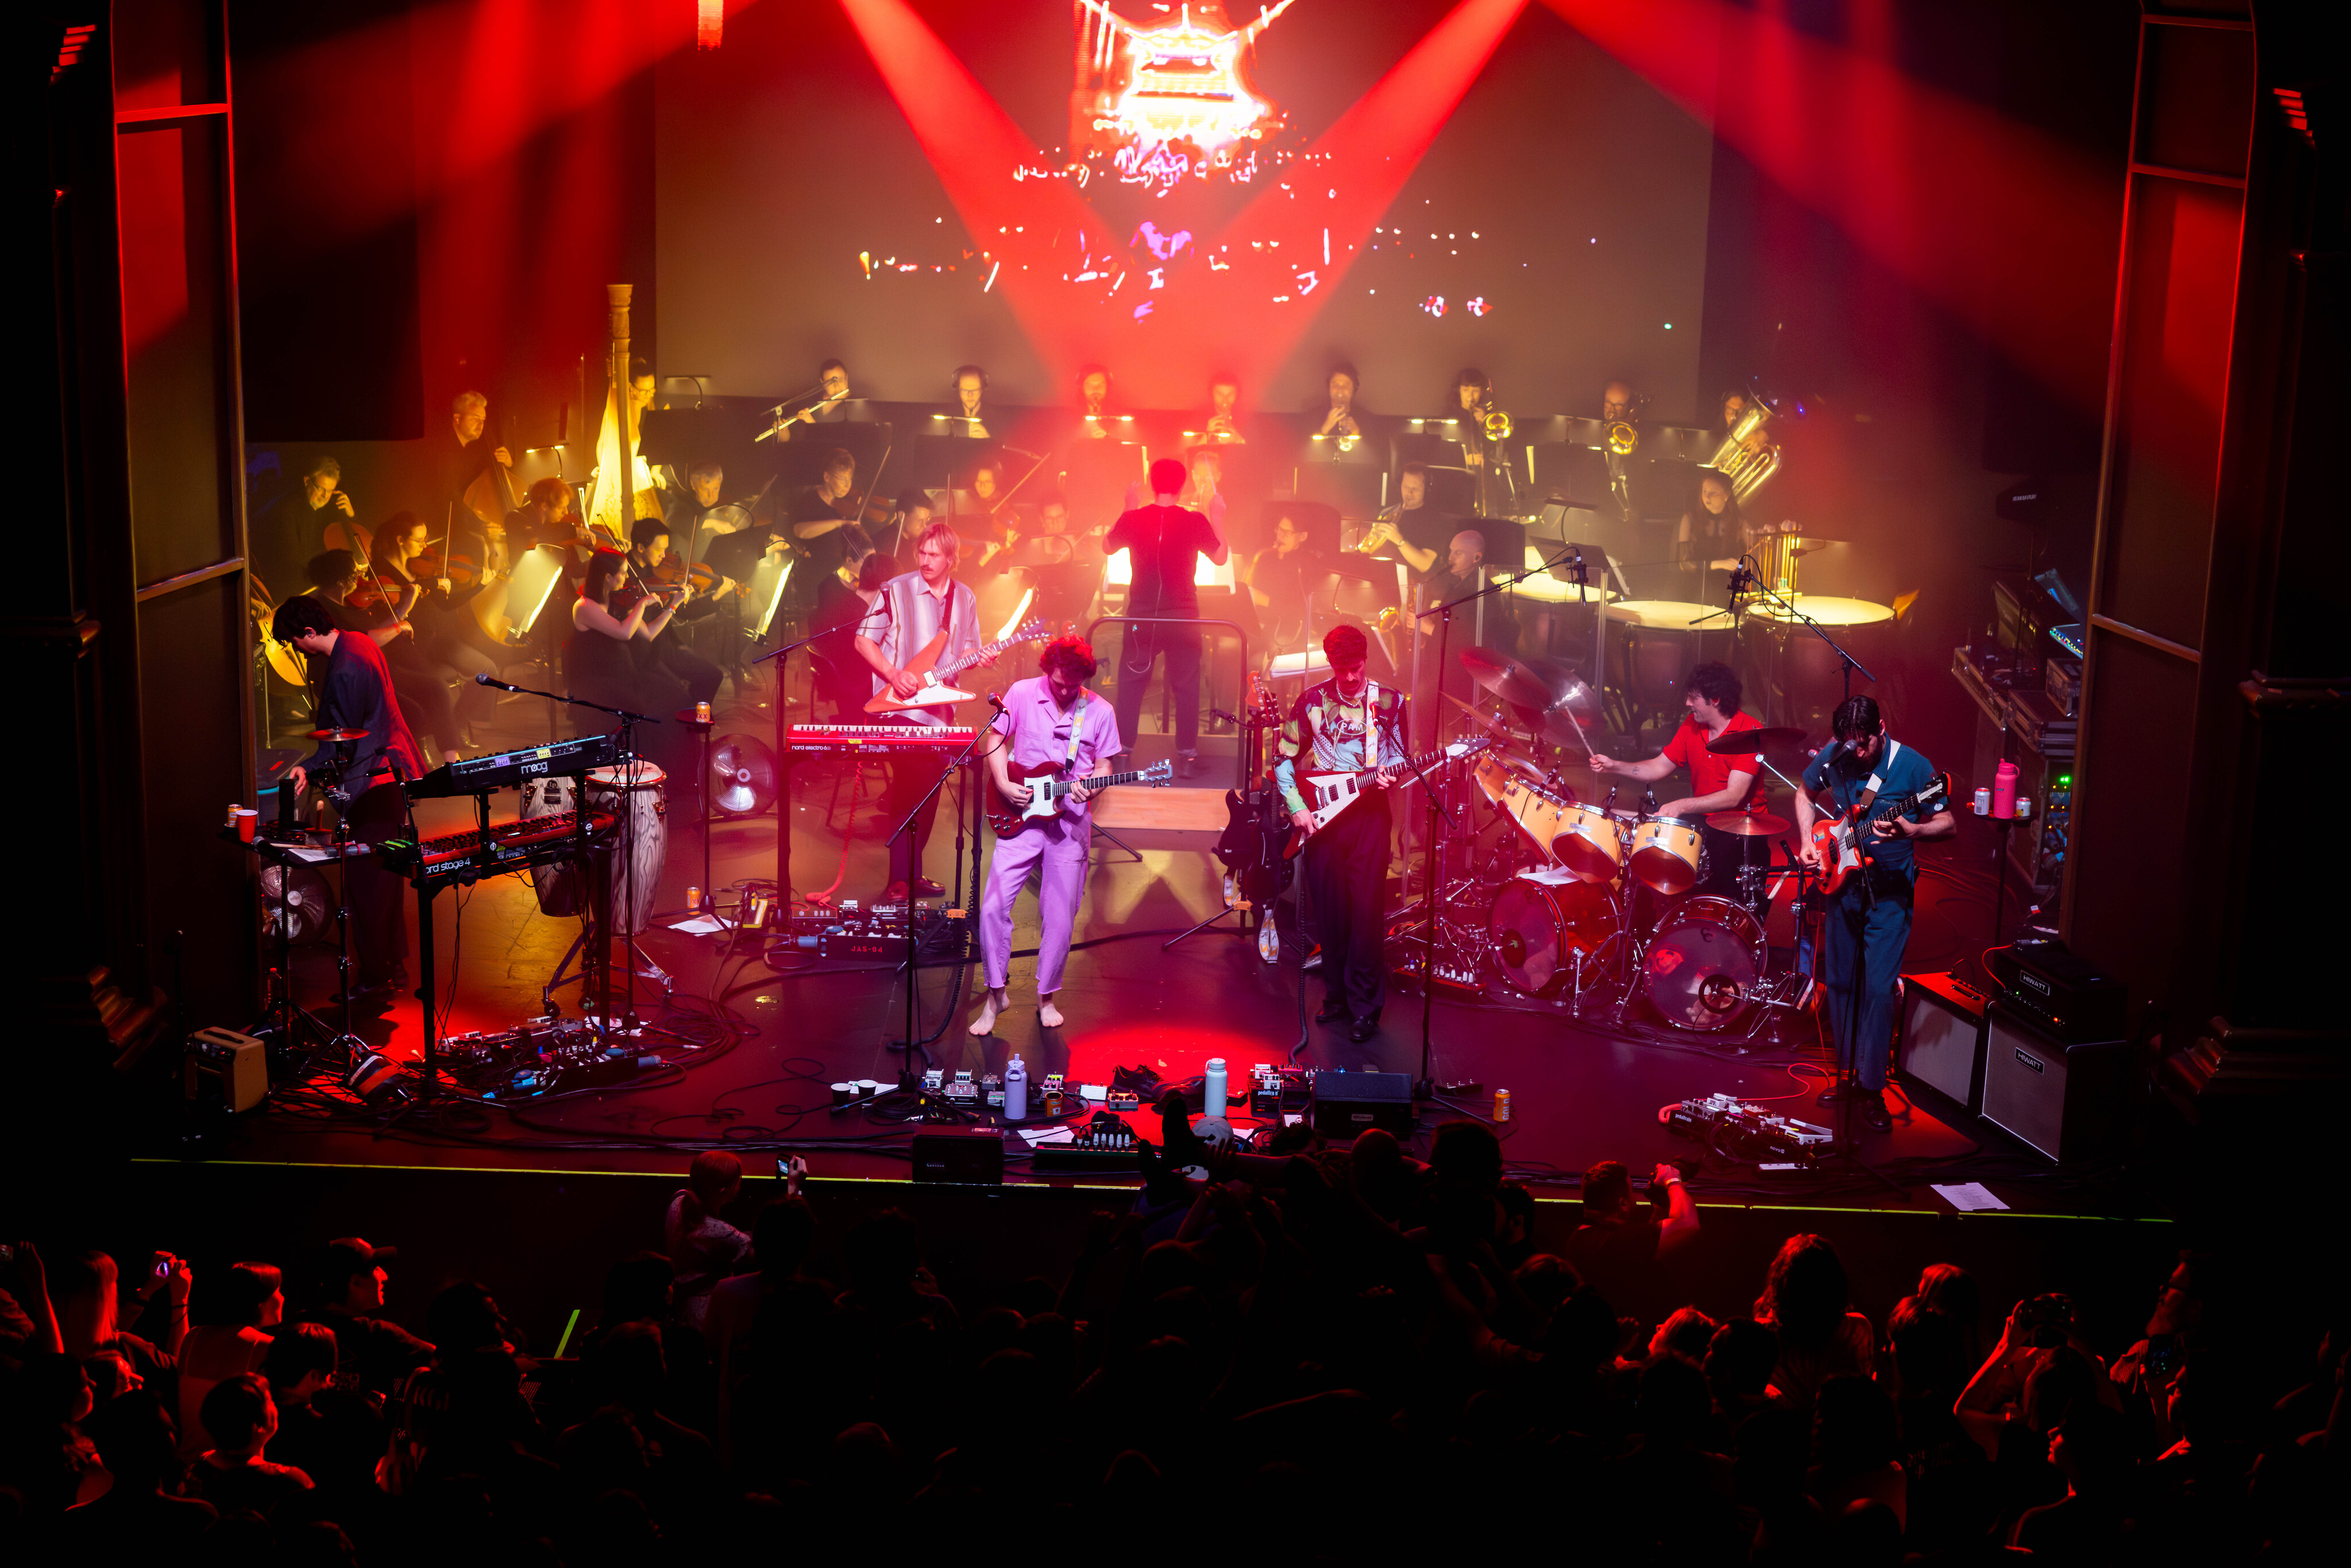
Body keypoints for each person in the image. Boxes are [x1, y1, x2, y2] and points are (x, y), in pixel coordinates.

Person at [1794, 695, 1956, 1131]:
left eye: (1864, 742)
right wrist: (1809, 841)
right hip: (1842, 888)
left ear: (1881, 729)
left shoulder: (1915, 768)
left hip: (1889, 895)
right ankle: (1849, 1076)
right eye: (1850, 743)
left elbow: (1948, 823)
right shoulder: (1837, 754)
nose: (1858, 751)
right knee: (1841, 983)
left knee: (1880, 991)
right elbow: (1804, 792)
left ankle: (1872, 1088)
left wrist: (1914, 829)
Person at [274, 594, 428, 1004]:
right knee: (385, 882)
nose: (298, 650)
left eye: (295, 641)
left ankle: (376, 976)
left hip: (372, 782)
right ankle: (392, 968)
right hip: (390, 774)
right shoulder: (360, 641)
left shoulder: (344, 668)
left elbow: (342, 740)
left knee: (365, 887)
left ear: (308, 632)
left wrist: (309, 769)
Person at [971, 634, 1123, 1036]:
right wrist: (1003, 783)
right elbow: (996, 740)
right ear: (1047, 671)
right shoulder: (1022, 693)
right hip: (1019, 816)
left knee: (1059, 918)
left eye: (1073, 685)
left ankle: (1047, 997)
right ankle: (995, 995)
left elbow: (1105, 765)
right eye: (1058, 683)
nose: (1065, 691)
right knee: (992, 908)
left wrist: (1092, 788)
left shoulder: (1100, 710)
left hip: (1069, 823)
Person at [1273, 622, 1406, 1041]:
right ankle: (1336, 998)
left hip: (1369, 815)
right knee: (1329, 911)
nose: (1350, 677)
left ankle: (1366, 1008)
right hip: (1323, 816)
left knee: (1366, 911)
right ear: (1331, 663)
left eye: (1357, 668)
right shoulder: (1312, 701)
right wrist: (1297, 808)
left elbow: (1400, 756)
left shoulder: (1389, 701)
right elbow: (1283, 758)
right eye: (1341, 669)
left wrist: (1391, 776)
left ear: (1366, 660)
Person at [854, 519, 994, 899]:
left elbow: (966, 650)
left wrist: (981, 657)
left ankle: (912, 875)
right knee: (909, 786)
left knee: (930, 790)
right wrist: (894, 674)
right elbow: (863, 641)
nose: (925, 560)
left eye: (934, 555)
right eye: (922, 553)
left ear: (951, 559)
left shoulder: (965, 598)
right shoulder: (894, 590)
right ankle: (898, 879)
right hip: (899, 708)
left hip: (940, 713)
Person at [1587, 661, 1768, 915]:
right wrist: (1614, 766)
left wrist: (1682, 805)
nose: (1687, 703)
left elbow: (1734, 796)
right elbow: (1658, 766)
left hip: (1741, 827)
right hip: (1705, 822)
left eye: (1694, 697)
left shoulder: (1750, 730)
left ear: (1715, 700)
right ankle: (1652, 924)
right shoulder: (1692, 726)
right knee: (1653, 846)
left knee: (1722, 886)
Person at [1107, 456, 1228, 779]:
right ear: (1183, 486)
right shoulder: (1194, 520)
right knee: (1186, 687)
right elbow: (1220, 557)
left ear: (1151, 482)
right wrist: (1217, 517)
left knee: (1131, 686)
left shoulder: (1134, 518)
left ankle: (1122, 755)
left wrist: (1129, 506)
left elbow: (1107, 547)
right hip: (1183, 619)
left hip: (1141, 618)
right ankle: (1187, 759)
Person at [296, 1236, 432, 1396]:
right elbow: (444, 1360)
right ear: (355, 1282)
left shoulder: (298, 1328)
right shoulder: (380, 1335)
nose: (385, 1276)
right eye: (376, 1269)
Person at [176, 1262, 284, 1458]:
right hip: (234, 1466)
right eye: (278, 1290)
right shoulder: (266, 1346)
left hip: (187, 1464)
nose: (282, 1298)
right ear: (259, 1301)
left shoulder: (194, 1336)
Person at [628, 516, 728, 709]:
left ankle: (694, 723)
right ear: (640, 547)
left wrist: (716, 596)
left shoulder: (657, 571)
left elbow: (684, 611)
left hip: (666, 646)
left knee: (714, 676)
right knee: (680, 696)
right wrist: (672, 603)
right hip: (644, 653)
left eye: (666, 549)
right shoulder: (625, 574)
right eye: (659, 550)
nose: (664, 556)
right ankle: (686, 720)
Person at [187, 1372, 316, 1517]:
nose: (274, 1404)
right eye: (268, 1400)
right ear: (258, 1425)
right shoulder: (291, 1483)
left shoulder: (195, 1468)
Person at [665, 1151, 750, 1333]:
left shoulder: (678, 1203)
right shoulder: (724, 1234)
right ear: (723, 1192)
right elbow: (774, 1248)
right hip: (706, 1320)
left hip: (680, 1311)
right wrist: (794, 1187)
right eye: (738, 1179)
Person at [255, 455, 355, 604]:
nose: (325, 496)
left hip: (319, 581)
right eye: (321, 489)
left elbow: (352, 544)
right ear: (307, 481)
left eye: (330, 491)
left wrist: (350, 516)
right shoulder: (288, 509)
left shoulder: (330, 508)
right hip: (292, 587)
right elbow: (294, 558)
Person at [1242, 507, 1324, 654]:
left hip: (1287, 631)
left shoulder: (1308, 565)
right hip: (1260, 627)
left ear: (1303, 537)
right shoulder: (1265, 557)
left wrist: (1265, 601)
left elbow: (1302, 612)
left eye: (1288, 533)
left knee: (1275, 652)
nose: (1281, 536)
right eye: (1279, 530)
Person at [1678, 468, 1747, 597]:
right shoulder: (1689, 519)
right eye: (1704, 491)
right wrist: (1720, 564)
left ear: (1726, 495)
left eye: (1713, 492)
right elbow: (1684, 564)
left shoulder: (1739, 523)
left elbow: (1755, 554)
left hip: (1727, 588)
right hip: (1695, 587)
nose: (1707, 497)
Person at [771, 357, 854, 440]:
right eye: (830, 382)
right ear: (822, 382)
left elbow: (840, 442)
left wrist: (811, 424)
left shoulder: (856, 404)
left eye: (841, 379)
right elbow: (797, 438)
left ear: (847, 378)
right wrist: (785, 437)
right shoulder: (810, 400)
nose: (837, 386)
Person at [1314, 363, 1368, 453]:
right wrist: (1325, 429)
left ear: (1354, 389)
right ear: (1329, 387)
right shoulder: (1315, 415)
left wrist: (1356, 432)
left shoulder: (1364, 418)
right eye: (1335, 385)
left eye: (1346, 386)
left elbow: (1374, 453)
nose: (1340, 390)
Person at [946, 363, 991, 438]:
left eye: (975, 390)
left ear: (982, 390)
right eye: (965, 391)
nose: (970, 396)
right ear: (958, 390)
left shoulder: (998, 419)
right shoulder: (948, 416)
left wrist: (988, 439)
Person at [1202, 370, 1247, 444]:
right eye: (1220, 394)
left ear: (1237, 395)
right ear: (1212, 394)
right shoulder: (1200, 419)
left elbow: (1258, 450)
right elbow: (1187, 449)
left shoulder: (1246, 421)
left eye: (1230, 395)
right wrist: (1206, 435)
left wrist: (1238, 440)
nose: (1225, 400)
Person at [1076, 363, 1115, 438]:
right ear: (1081, 388)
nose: (1095, 390)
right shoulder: (1069, 421)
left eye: (1100, 385)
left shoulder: (1117, 420)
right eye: (1090, 386)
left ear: (1108, 387)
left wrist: (1106, 440)